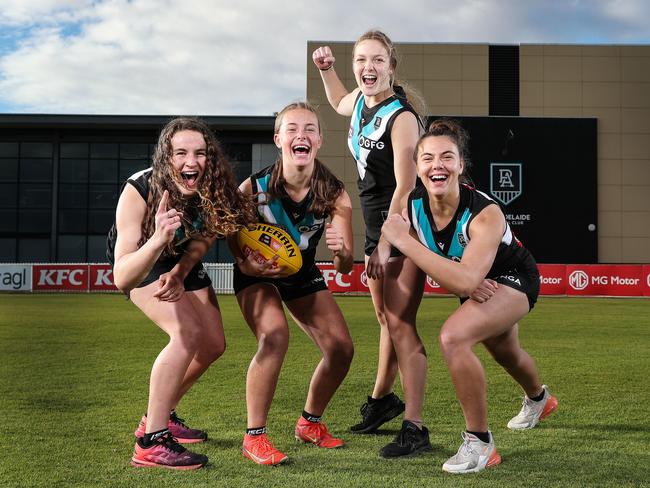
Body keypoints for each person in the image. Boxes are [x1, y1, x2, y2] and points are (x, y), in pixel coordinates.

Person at [381, 118, 559, 473]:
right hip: (475, 279)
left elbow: (455, 275)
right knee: (506, 351)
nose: (437, 165)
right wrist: (386, 245)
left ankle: (480, 444)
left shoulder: (484, 212)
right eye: (428, 158)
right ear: (417, 168)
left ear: (461, 165)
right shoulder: (414, 205)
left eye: (447, 157)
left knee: (453, 337)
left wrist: (402, 242)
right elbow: (414, 245)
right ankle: (540, 400)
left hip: (513, 277)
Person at [107, 117, 256, 470]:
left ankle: (161, 412)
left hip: (180, 257)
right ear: (165, 157)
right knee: (186, 334)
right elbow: (122, 277)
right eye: (181, 153)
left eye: (201, 153)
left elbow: (205, 235)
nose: (192, 162)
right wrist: (158, 239)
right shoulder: (140, 189)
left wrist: (180, 270)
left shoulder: (213, 187)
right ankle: (151, 440)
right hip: (144, 257)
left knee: (214, 343)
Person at [312, 30, 428, 446]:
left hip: (403, 226)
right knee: (384, 318)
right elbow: (338, 100)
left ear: (391, 66)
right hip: (377, 224)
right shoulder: (360, 101)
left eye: (377, 60)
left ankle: (413, 423)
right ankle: (382, 399)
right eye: (361, 60)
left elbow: (406, 185)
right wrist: (327, 70)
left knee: (399, 323)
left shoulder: (402, 117)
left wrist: (384, 242)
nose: (367, 68)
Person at [232, 102, 355, 466]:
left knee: (342, 349)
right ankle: (254, 437)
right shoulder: (252, 188)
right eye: (292, 129)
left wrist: (342, 250)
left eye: (309, 129)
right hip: (258, 275)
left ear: (319, 140)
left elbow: (343, 266)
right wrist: (248, 265)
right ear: (278, 139)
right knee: (275, 335)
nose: (301, 134)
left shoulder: (335, 194)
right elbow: (234, 242)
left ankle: (309, 423)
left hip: (300, 273)